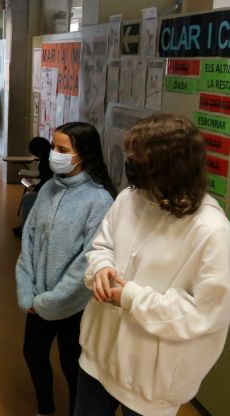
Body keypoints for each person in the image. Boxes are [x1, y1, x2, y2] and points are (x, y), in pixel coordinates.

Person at [74, 114, 230, 416]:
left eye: (140, 160)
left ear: (173, 167)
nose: (131, 168)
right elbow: (101, 246)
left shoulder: (212, 230)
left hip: (149, 382)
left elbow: (204, 314)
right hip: (98, 358)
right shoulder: (129, 200)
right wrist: (101, 268)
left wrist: (130, 298)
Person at [15, 122, 117, 416]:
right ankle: (45, 409)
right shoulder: (49, 187)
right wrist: (28, 290)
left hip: (74, 304)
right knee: (33, 354)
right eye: (53, 147)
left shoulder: (99, 200)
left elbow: (89, 260)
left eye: (62, 149)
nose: (54, 154)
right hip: (38, 298)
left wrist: (52, 300)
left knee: (73, 366)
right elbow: (29, 240)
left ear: (83, 154)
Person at [13, 136, 54, 238]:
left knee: (28, 199)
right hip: (49, 186)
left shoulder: (47, 160)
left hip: (51, 189)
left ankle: (25, 229)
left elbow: (47, 179)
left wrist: (36, 188)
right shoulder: (49, 156)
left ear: (39, 151)